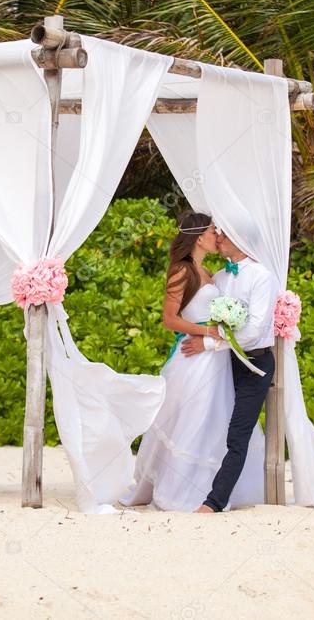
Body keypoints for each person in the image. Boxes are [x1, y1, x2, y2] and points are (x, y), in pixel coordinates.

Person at [119, 212, 266, 511]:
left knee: (214, 421)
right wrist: (207, 331)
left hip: (216, 360)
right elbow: (170, 320)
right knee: (192, 421)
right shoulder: (181, 271)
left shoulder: (212, 273)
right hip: (192, 359)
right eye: (214, 231)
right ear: (200, 236)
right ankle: (176, 490)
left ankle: (208, 489)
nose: (218, 236)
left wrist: (218, 333)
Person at [183, 228, 277, 513]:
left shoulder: (262, 276)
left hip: (255, 364)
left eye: (225, 234)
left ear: (243, 238)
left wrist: (209, 345)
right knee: (206, 426)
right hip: (225, 364)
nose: (219, 238)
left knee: (237, 434)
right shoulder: (220, 278)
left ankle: (214, 502)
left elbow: (254, 330)